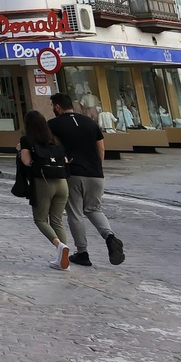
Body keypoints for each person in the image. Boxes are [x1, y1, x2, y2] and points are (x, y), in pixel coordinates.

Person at [48, 92, 126, 267]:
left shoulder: (53, 124)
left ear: (57, 106)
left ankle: (82, 252)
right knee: (94, 209)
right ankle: (111, 238)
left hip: (72, 173)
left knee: (75, 213)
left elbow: (51, 148)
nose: (52, 109)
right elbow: (101, 147)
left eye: (53, 105)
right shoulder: (89, 122)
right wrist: (98, 168)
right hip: (95, 173)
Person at [19, 109, 73, 271]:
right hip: (62, 182)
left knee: (40, 219)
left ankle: (59, 246)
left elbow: (26, 161)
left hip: (43, 182)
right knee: (57, 220)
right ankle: (63, 260)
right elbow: (64, 160)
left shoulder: (27, 139)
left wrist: (20, 150)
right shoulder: (55, 139)